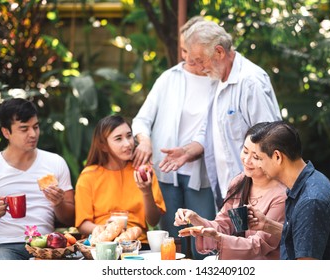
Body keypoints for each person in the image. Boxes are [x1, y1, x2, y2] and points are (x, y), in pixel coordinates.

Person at [159, 20, 282, 208]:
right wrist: (187, 151)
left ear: (219, 52)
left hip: (255, 197)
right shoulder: (217, 79)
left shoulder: (250, 82)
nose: (199, 68)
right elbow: (210, 130)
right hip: (228, 194)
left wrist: (259, 195)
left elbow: (270, 141)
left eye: (201, 61)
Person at [131, 16, 217, 258]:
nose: (186, 57)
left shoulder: (217, 81)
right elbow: (142, 119)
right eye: (183, 49)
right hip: (166, 173)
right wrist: (144, 140)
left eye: (190, 51)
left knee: (204, 244)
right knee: (170, 245)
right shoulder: (169, 78)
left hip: (201, 176)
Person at [174, 123, 287, 259]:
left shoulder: (281, 196)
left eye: (256, 157)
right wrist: (195, 219)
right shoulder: (240, 182)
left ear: (274, 158)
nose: (247, 160)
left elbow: (258, 245)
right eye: (245, 151)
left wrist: (219, 239)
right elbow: (223, 224)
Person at [0, 98, 75, 260]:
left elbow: (71, 218)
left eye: (36, 127)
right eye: (24, 129)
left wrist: (58, 203)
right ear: (6, 132)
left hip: (46, 245)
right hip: (3, 245)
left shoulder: (55, 163)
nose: (33, 134)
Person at [248, 120, 330, 260]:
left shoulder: (311, 200)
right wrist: (267, 225)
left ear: (277, 157)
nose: (258, 165)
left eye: (259, 158)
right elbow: (302, 238)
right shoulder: (308, 182)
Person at [75, 115, 166, 248]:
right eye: (118, 139)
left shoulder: (144, 171)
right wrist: (106, 229)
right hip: (101, 246)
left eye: (129, 136)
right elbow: (82, 225)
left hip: (138, 245)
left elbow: (153, 221)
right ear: (103, 146)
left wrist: (146, 192)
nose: (128, 143)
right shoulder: (89, 176)